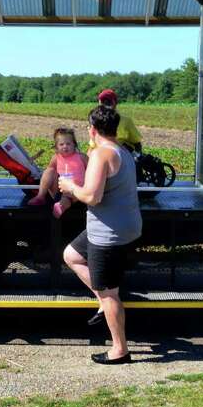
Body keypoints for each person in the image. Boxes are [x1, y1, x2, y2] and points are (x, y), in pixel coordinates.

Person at [60, 105, 143, 364]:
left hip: (107, 234)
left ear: (92, 130)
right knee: (71, 255)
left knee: (110, 292)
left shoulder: (101, 154)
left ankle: (120, 350)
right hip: (122, 226)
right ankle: (102, 300)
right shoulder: (123, 151)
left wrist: (71, 187)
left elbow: (92, 197)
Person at [27, 127, 88, 219]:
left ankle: (60, 207)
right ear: (56, 146)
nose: (65, 146)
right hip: (59, 189)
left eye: (68, 144)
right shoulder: (56, 157)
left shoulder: (81, 157)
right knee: (49, 170)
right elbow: (50, 173)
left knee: (67, 197)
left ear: (74, 144)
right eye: (61, 144)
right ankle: (40, 196)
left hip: (77, 191)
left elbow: (92, 171)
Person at [88, 88, 143, 153]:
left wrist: (137, 158)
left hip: (120, 154)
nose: (105, 103)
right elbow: (92, 145)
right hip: (100, 153)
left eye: (108, 101)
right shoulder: (95, 119)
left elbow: (137, 143)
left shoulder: (126, 121)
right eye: (103, 101)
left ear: (116, 102)